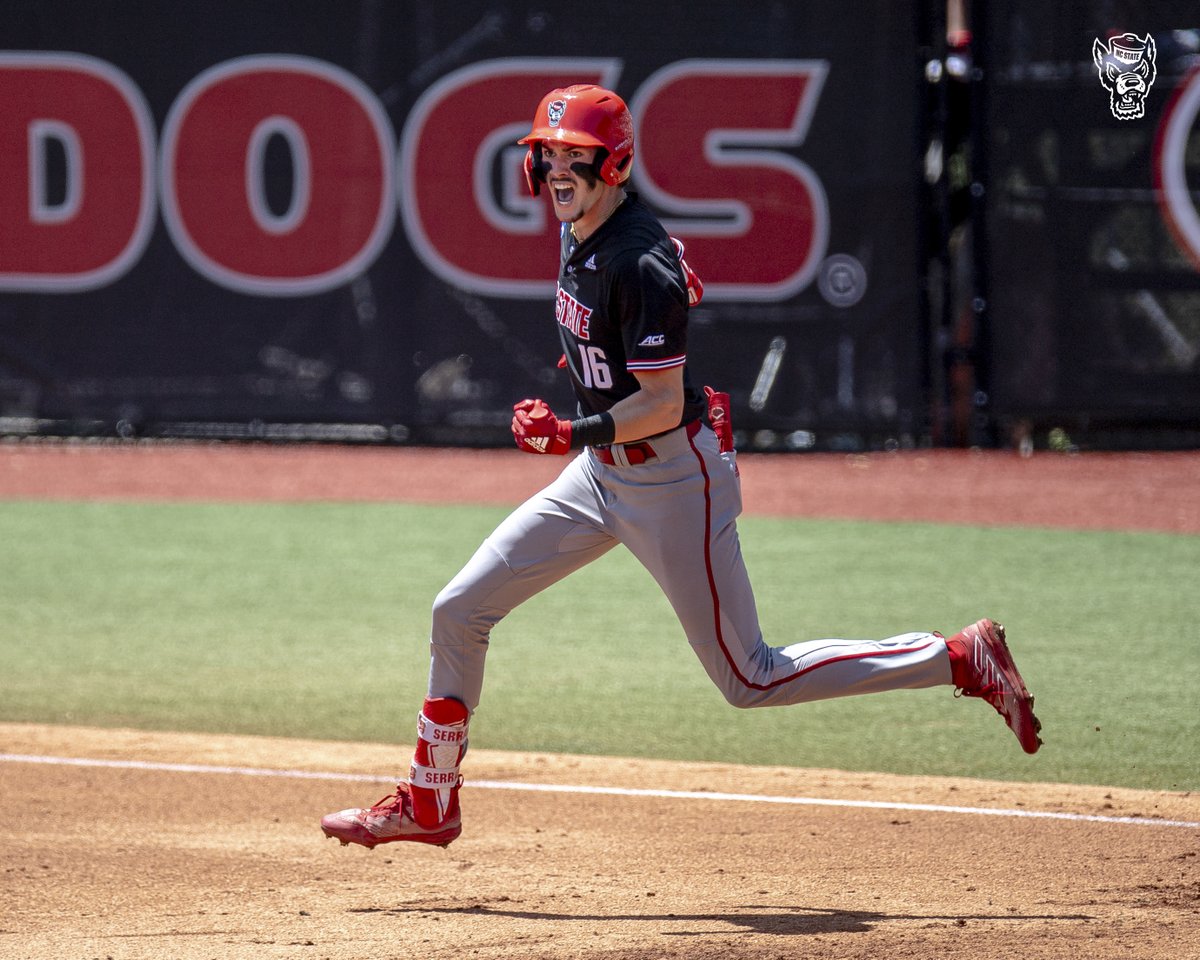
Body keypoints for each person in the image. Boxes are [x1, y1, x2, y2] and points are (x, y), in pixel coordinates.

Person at [320, 84, 1042, 850]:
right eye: (548, 156)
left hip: (670, 480)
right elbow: (647, 306)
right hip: (602, 476)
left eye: (576, 158)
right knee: (457, 609)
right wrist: (596, 417)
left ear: (615, 163)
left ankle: (959, 658)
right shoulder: (586, 229)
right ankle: (432, 800)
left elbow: (661, 401)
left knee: (751, 677)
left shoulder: (636, 260)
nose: (557, 171)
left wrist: (570, 427)